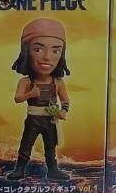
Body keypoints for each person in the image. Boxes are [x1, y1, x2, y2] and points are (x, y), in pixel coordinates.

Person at [7, 19, 71, 183]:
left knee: (50, 146)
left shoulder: (57, 82)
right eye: (38, 49)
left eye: (56, 51)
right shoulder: (26, 82)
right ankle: (20, 169)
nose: (47, 57)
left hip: (50, 120)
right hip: (33, 119)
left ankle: (53, 169)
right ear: (26, 52)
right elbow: (17, 98)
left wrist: (63, 111)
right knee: (26, 144)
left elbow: (65, 101)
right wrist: (31, 94)